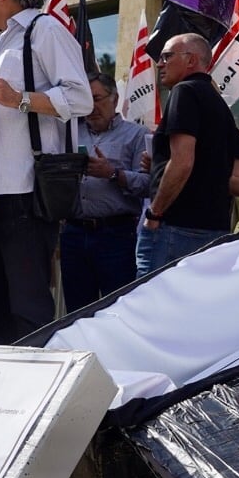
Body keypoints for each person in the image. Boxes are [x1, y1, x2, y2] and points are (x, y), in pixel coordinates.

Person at [0, 0, 92, 342]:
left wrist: (18, 98)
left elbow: (80, 99)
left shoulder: (45, 30)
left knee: (28, 308)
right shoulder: (2, 43)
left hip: (25, 191)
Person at [137, 33, 239, 275]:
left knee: (153, 307)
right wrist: (159, 165)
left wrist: (155, 213)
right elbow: (228, 177)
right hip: (213, 230)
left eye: (167, 56)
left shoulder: (184, 91)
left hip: (175, 228)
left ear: (191, 60)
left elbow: (183, 162)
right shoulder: (222, 109)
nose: (159, 63)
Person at [61, 73, 151, 309]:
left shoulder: (136, 135)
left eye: (97, 99)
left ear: (115, 98)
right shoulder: (70, 133)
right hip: (74, 233)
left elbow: (148, 184)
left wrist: (113, 173)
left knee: (119, 309)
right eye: (86, 101)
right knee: (77, 313)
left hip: (116, 235)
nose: (92, 107)